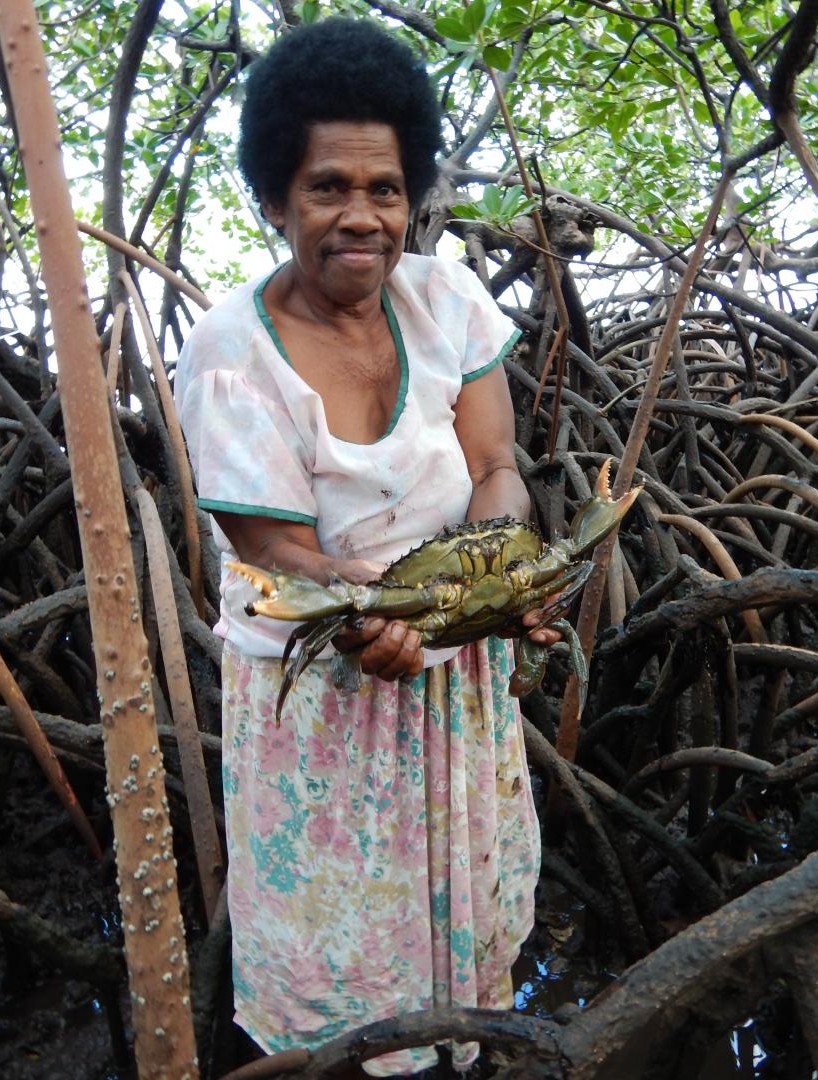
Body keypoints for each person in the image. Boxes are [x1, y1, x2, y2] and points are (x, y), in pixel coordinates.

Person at [174, 18, 553, 1076]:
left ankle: (459, 1051)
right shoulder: (228, 353)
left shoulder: (448, 300)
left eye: (385, 189)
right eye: (328, 187)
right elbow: (279, 548)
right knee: (342, 967)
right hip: (322, 684)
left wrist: (502, 569)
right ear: (273, 198)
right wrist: (397, 612)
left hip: (454, 672)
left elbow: (497, 469)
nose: (361, 216)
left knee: (460, 935)